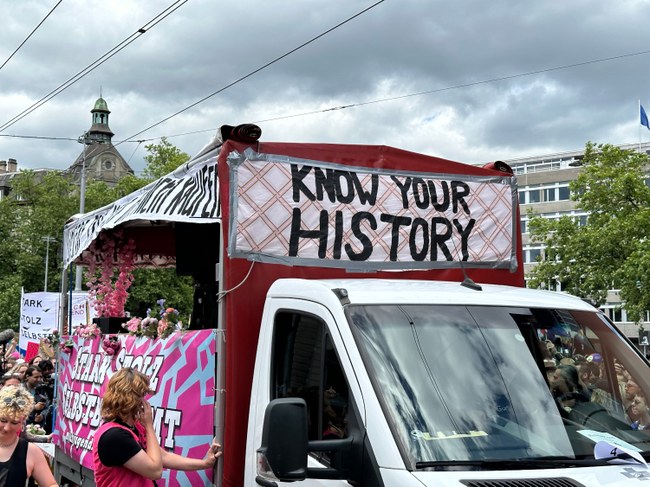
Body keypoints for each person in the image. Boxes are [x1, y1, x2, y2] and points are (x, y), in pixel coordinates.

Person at [92, 367, 222, 487]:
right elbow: (155, 470)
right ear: (131, 399)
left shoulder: (134, 427)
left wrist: (204, 463)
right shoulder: (114, 437)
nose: (145, 401)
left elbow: (162, 457)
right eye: (142, 395)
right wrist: (149, 426)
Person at [0, 385, 57, 486]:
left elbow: (50, 484)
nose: (7, 427)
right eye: (3, 420)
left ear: (23, 423)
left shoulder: (31, 452)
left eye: (14, 422)